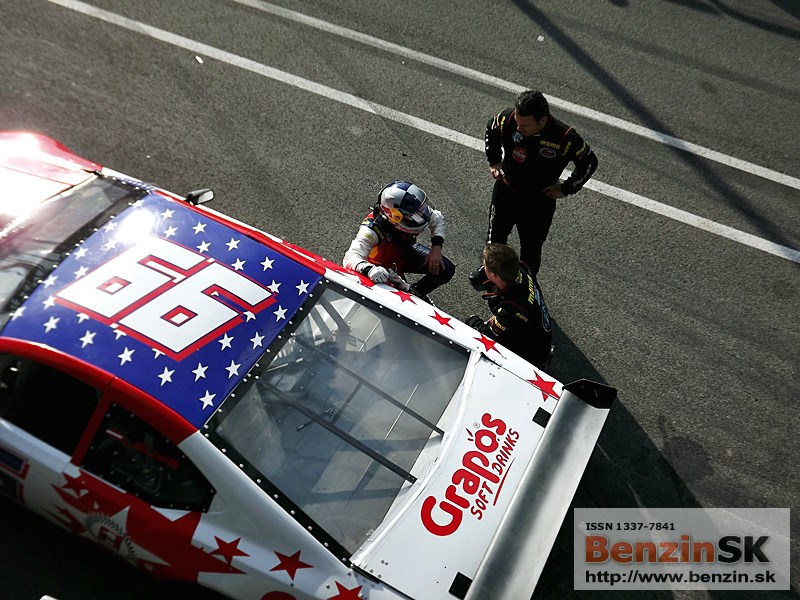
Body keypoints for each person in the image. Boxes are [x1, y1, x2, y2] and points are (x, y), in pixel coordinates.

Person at [470, 89, 598, 287]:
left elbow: (589, 162)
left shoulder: (565, 137)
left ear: (543, 120)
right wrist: (494, 161)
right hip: (506, 193)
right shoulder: (508, 118)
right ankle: (490, 273)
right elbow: (491, 128)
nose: (518, 128)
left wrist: (567, 188)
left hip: (538, 204)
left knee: (531, 250)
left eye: (525, 125)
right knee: (494, 240)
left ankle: (524, 288)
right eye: (518, 123)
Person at [343, 180, 455, 301]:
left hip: (400, 257)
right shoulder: (371, 231)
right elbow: (350, 258)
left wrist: (436, 247)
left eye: (421, 210)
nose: (422, 215)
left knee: (445, 268)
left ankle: (417, 292)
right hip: (380, 273)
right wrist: (369, 270)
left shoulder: (412, 212)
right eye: (415, 215)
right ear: (395, 216)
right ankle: (410, 293)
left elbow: (437, 218)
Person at [466, 243, 552, 370]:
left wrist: (473, 321)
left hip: (531, 354)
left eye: (485, 267)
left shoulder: (510, 311)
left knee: (476, 338)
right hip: (537, 329)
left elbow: (487, 334)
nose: (482, 268)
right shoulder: (521, 269)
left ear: (494, 276)